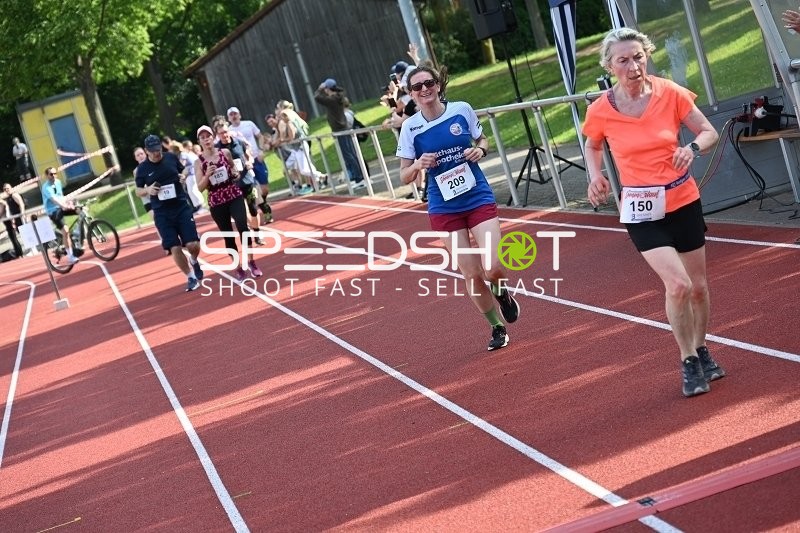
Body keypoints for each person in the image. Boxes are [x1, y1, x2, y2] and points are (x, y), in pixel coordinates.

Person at [582, 28, 725, 398]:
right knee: (677, 285)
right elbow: (592, 143)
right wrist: (595, 175)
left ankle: (702, 347)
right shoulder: (601, 108)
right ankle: (688, 361)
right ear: (610, 66)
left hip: (682, 201)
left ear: (647, 56)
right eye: (623, 60)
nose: (633, 66)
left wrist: (691, 147)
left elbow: (709, 131)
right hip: (641, 209)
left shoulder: (670, 93)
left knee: (698, 288)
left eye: (638, 57)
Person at [397, 63, 521, 351]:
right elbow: (404, 176)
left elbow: (482, 139)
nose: (424, 89)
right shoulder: (410, 128)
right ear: (411, 95)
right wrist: (418, 164)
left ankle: (502, 293)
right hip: (444, 207)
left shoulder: (461, 109)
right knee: (472, 274)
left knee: (493, 267)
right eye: (417, 87)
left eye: (429, 83)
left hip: (476, 195)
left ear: (438, 85)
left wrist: (481, 149)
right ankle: (496, 326)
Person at [135, 134, 204, 292]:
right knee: (174, 247)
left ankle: (193, 260)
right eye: (152, 151)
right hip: (162, 212)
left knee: (193, 244)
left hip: (180, 207)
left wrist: (183, 175)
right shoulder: (142, 169)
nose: (156, 153)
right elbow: (138, 190)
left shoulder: (171, 157)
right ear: (146, 151)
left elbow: (185, 168)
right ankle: (190, 277)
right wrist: (147, 189)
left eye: (158, 149)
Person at [195, 125, 262, 280]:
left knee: (242, 227)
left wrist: (234, 174)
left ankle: (251, 262)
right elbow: (200, 187)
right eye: (203, 137)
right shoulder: (199, 162)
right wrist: (207, 176)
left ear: (213, 138)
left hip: (233, 194)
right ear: (199, 141)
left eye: (208, 136)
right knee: (228, 235)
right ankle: (238, 267)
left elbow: (235, 171)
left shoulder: (224, 153)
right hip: (216, 200)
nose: (206, 140)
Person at [314, 78, 366, 189]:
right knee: (349, 155)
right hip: (342, 129)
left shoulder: (333, 99)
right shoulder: (337, 97)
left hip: (341, 129)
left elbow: (317, 98)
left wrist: (319, 89)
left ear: (328, 89)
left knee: (349, 155)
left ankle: (360, 178)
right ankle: (357, 177)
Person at [41, 167, 80, 265]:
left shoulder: (58, 182)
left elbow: (60, 196)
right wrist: (63, 205)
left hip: (62, 207)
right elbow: (54, 199)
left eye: (55, 173)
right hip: (53, 211)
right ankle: (71, 257)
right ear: (47, 176)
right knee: (65, 231)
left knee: (80, 210)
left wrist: (70, 203)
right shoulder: (46, 187)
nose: (53, 176)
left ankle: (76, 234)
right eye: (51, 174)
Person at [1, 182, 26, 258]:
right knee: (22, 233)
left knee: (25, 233)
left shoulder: (14, 195)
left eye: (7, 188)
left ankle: (33, 249)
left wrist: (22, 214)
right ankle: (31, 249)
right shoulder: (9, 197)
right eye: (5, 189)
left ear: (11, 188)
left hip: (20, 217)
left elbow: (21, 204)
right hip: (16, 218)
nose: (6, 190)